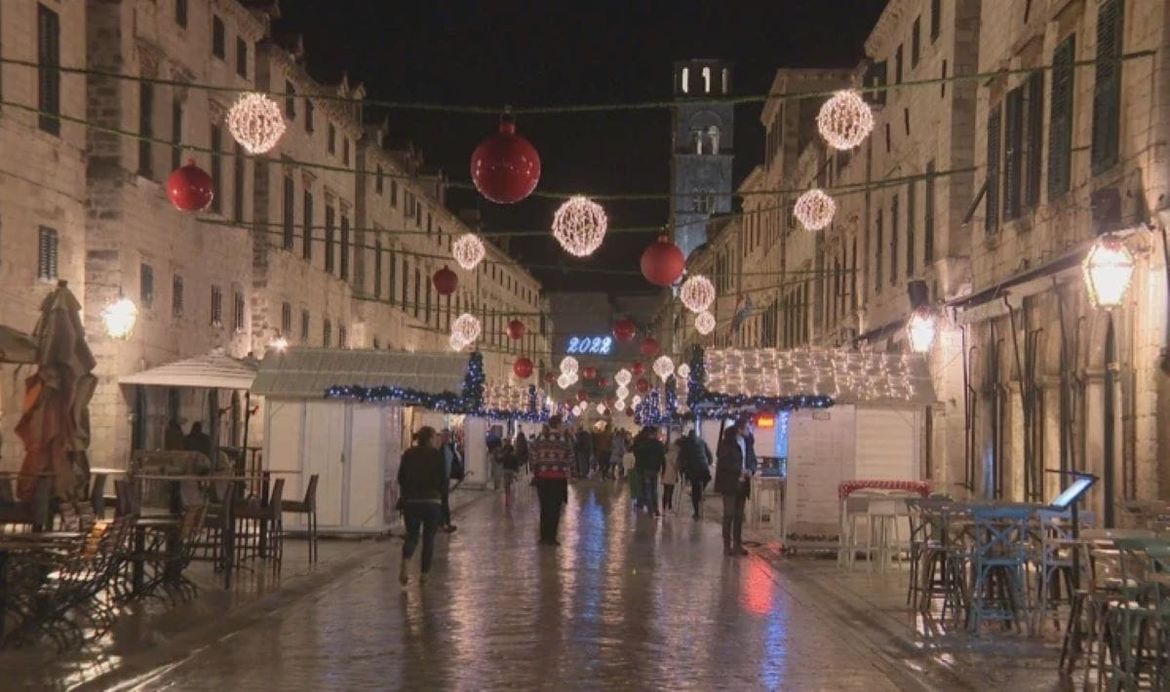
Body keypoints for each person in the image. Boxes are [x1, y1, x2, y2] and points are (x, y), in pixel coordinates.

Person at [397, 426, 447, 585]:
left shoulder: (408, 454)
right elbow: (443, 480)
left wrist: (407, 493)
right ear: (430, 438)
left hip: (411, 501)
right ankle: (424, 574)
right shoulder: (437, 455)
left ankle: (405, 564)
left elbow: (401, 477)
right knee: (428, 538)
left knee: (411, 535)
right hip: (432, 502)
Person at [531, 416, 572, 545]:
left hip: (543, 478)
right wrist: (564, 468)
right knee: (555, 508)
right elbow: (570, 457)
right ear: (559, 425)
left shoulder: (540, 439)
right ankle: (552, 537)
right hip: (558, 479)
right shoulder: (564, 440)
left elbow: (532, 455)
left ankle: (543, 537)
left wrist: (538, 467)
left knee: (544, 507)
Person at [714, 423, 751, 556]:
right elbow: (724, 463)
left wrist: (749, 470)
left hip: (742, 483)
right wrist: (739, 470)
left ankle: (737, 545)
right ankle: (727, 546)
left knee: (739, 516)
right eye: (747, 427)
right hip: (730, 483)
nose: (749, 430)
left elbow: (749, 459)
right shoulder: (727, 444)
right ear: (739, 430)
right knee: (729, 514)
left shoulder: (746, 442)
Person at [632, 426, 666, 516]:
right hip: (655, 469)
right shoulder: (659, 444)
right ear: (655, 434)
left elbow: (638, 455)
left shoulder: (644, 444)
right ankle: (656, 509)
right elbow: (663, 458)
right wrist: (663, 470)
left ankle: (651, 510)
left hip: (645, 469)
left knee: (647, 489)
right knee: (654, 489)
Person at [681, 428, 713, 519]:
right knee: (707, 478)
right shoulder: (702, 441)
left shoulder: (686, 443)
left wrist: (683, 470)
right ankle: (701, 492)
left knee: (695, 489)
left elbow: (683, 456)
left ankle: (696, 512)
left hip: (693, 469)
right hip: (703, 468)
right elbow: (709, 454)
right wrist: (709, 462)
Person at [438, 429, 461, 533]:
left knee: (444, 501)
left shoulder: (450, 448)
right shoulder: (439, 449)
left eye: (447, 436)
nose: (445, 438)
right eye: (444, 436)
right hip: (440, 478)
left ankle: (445, 523)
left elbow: (455, 461)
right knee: (442, 501)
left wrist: (457, 473)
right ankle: (443, 523)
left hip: (446, 478)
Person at [662, 436, 682, 512]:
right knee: (670, 490)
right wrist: (678, 473)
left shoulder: (666, 455)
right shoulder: (675, 455)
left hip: (665, 474)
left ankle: (664, 505)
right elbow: (676, 465)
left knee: (665, 490)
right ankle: (669, 505)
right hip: (672, 473)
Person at [498, 440, 520, 507]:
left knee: (506, 484)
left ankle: (507, 497)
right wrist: (516, 470)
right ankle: (508, 496)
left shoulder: (505, 455)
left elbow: (499, 460)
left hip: (505, 470)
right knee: (509, 484)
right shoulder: (514, 456)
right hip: (511, 471)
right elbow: (516, 464)